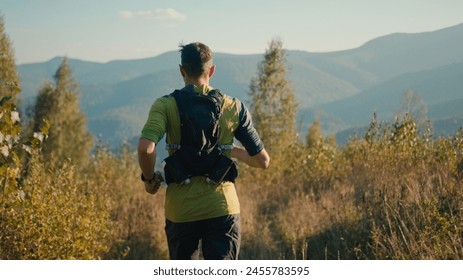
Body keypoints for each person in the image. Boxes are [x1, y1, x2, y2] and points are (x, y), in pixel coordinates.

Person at [138, 42, 269, 260]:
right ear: (212, 70)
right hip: (223, 209)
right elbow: (262, 161)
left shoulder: (165, 105)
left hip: (181, 212)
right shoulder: (233, 106)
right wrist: (229, 151)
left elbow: (145, 148)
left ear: (182, 71)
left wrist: (149, 180)